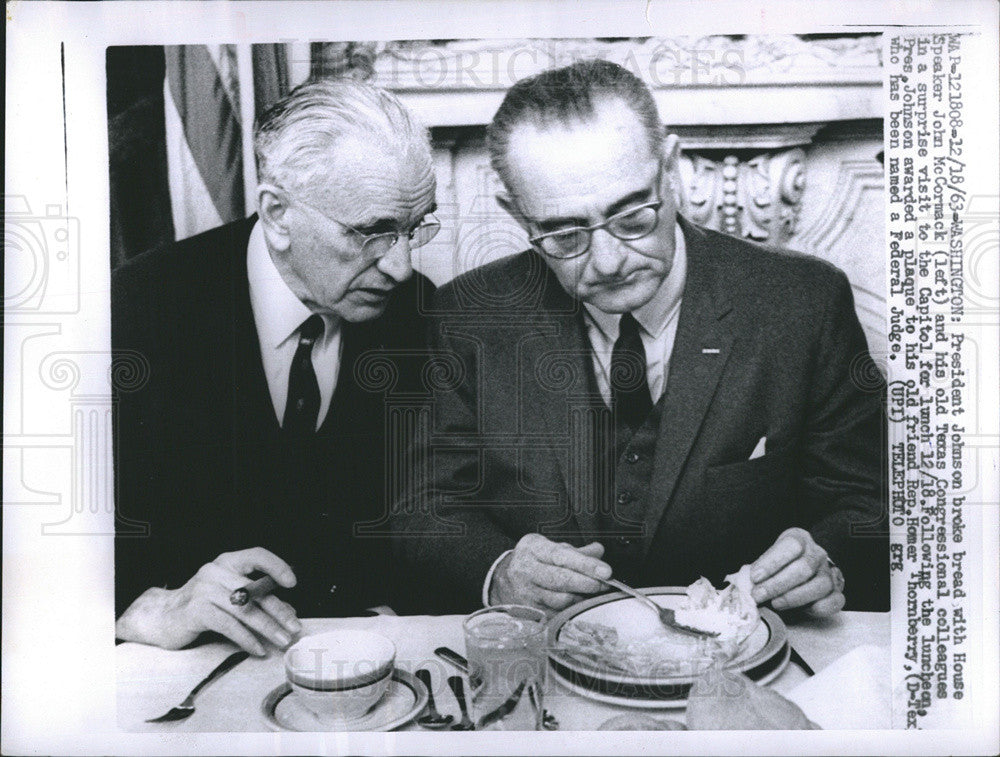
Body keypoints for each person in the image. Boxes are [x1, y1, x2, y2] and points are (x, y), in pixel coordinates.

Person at [391, 59, 887, 617]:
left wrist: (826, 556)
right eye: (564, 233)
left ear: (670, 168)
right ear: (516, 214)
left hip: (746, 663)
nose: (608, 261)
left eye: (632, 217)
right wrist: (498, 570)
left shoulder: (804, 303)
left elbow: (863, 502)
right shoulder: (465, 316)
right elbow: (425, 505)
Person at [113, 78, 439, 655]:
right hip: (186, 676)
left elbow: (426, 524)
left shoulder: (421, 318)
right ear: (278, 212)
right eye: (372, 233)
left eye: (415, 229)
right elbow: (55, 552)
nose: (402, 266)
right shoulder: (135, 311)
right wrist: (149, 607)